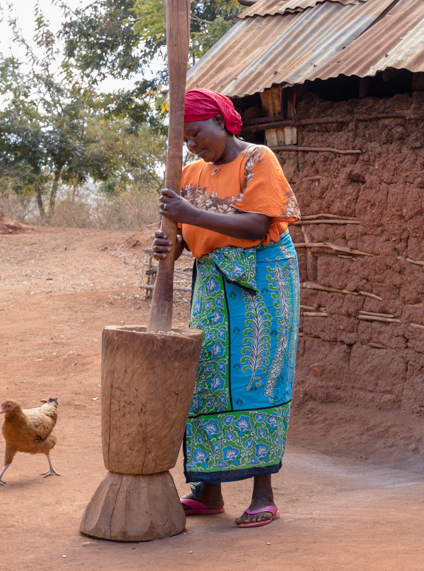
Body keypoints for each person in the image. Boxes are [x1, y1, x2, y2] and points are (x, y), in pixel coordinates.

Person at [151, 88, 301, 529]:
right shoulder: (191, 173)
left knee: (258, 379)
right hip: (213, 284)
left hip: (263, 283)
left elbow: (257, 225)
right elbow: (182, 239)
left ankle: (262, 494)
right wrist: (170, 244)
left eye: (197, 134)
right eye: (187, 141)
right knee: (208, 380)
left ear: (221, 121)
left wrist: (188, 216)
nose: (194, 146)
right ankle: (208, 490)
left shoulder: (258, 160)